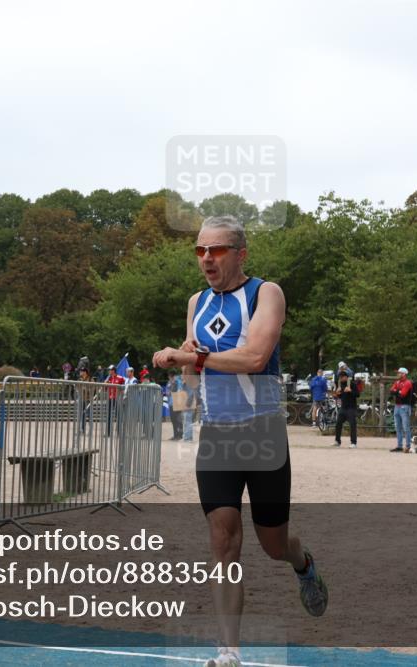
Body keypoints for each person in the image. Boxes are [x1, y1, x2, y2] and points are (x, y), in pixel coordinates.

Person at [151, 214, 328, 667]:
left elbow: (255, 357)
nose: (206, 259)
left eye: (217, 250)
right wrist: (181, 372)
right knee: (223, 538)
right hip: (217, 435)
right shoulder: (196, 302)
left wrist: (193, 357)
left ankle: (302, 563)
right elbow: (195, 371)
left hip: (263, 434)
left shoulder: (266, 293)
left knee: (273, 545)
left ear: (241, 254)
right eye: (200, 250)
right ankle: (228, 650)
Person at [389, 367, 414, 452]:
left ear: (404, 374)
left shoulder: (408, 383)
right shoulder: (397, 382)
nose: (397, 374)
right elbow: (391, 391)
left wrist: (396, 391)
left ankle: (408, 446)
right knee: (398, 427)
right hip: (397, 406)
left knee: (406, 427)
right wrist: (398, 391)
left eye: (399, 373)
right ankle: (399, 446)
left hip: (405, 406)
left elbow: (403, 394)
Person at [332, 370, 359, 447]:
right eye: (339, 378)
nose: (340, 379)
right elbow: (340, 396)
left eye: (341, 377)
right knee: (338, 424)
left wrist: (350, 391)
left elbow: (357, 394)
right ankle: (337, 441)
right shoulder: (340, 385)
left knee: (352, 425)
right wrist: (337, 394)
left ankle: (353, 443)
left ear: (346, 377)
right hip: (343, 407)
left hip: (351, 408)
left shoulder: (352, 384)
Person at [104, 364, 125, 431]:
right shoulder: (108, 378)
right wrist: (105, 384)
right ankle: (108, 431)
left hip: (117, 398)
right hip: (110, 398)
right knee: (108, 415)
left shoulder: (120, 378)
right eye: (109, 370)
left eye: (110, 370)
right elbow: (105, 389)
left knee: (118, 415)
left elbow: (123, 388)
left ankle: (119, 430)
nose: (109, 371)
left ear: (113, 371)